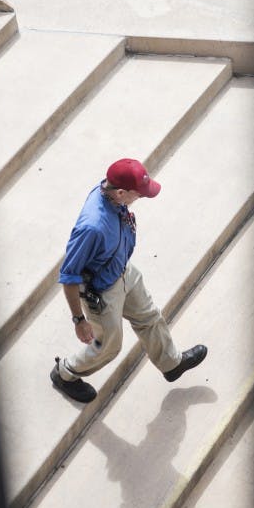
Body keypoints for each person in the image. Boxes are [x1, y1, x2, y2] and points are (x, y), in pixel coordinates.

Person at [50, 158, 207, 403]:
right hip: (102, 291)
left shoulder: (112, 193)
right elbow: (68, 275)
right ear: (121, 193)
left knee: (149, 316)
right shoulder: (92, 227)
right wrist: (79, 320)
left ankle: (171, 364)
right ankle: (65, 373)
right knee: (109, 347)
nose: (141, 198)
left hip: (123, 270)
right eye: (139, 195)